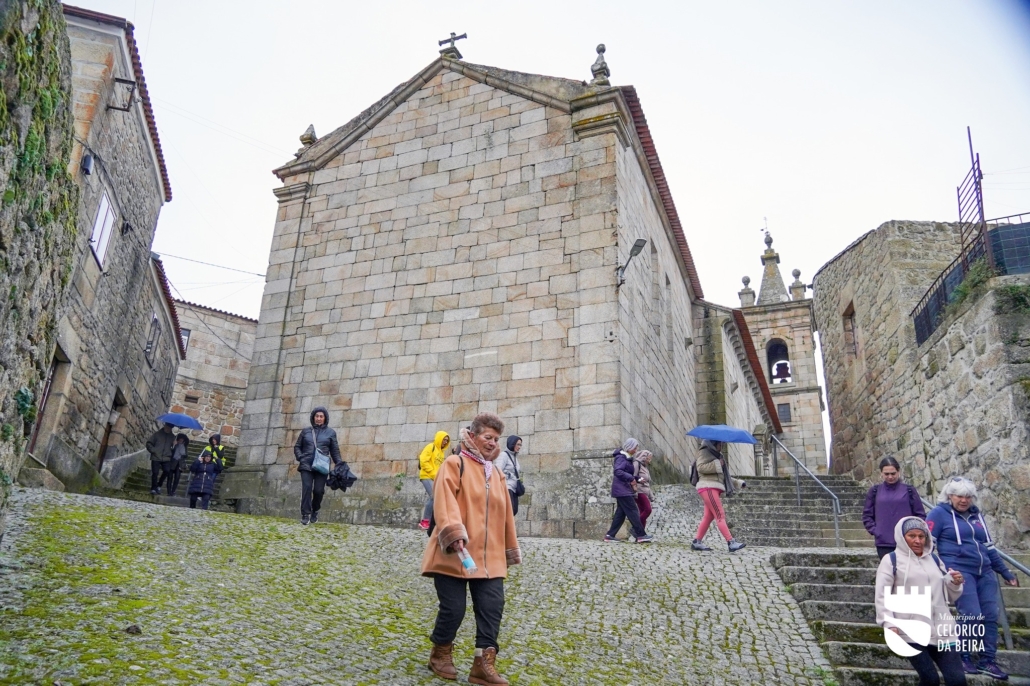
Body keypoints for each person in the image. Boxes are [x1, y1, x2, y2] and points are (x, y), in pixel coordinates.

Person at [422, 412, 520, 685]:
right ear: (473, 436)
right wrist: (454, 533)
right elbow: (444, 502)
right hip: (455, 552)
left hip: (489, 558)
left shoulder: (497, 474)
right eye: (488, 437)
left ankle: (483, 664)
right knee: (454, 609)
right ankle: (440, 652)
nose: (492, 443)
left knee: (492, 607)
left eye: (496, 439)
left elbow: (505, 516)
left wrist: (509, 549)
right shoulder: (455, 464)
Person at [927, 477, 1019, 680]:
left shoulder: (977, 516)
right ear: (950, 496)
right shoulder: (939, 514)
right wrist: (942, 571)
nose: (964, 500)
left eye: (968, 496)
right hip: (959, 572)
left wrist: (1005, 572)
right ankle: (962, 656)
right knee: (971, 614)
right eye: (960, 496)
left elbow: (989, 547)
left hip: (985, 572)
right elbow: (927, 546)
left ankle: (988, 660)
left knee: (989, 616)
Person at [875, 516, 966, 686]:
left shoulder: (935, 559)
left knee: (957, 680)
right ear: (902, 537)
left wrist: (955, 583)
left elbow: (949, 596)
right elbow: (882, 594)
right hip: (910, 630)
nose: (917, 540)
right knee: (930, 680)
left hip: (943, 631)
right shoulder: (891, 560)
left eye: (921, 536)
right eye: (912, 536)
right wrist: (888, 622)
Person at [863, 456, 926, 559]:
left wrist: (914, 534)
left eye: (893, 473)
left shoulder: (909, 491)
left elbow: (920, 515)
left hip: (907, 542)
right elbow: (867, 515)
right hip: (884, 543)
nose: (890, 477)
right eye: (886, 474)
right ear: (881, 473)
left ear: (898, 472)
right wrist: (876, 531)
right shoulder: (874, 491)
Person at [691, 439, 747, 552]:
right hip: (708, 487)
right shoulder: (704, 452)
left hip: (714, 488)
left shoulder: (718, 455)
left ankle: (697, 542)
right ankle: (731, 542)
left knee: (709, 516)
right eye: (720, 444)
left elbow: (723, 477)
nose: (722, 446)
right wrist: (717, 464)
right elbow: (700, 467)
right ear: (714, 443)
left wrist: (738, 483)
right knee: (720, 515)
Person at [293, 406, 342, 525]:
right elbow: (297, 447)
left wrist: (339, 463)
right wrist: (301, 457)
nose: (319, 418)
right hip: (306, 465)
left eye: (321, 416)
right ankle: (305, 514)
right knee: (307, 488)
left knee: (318, 491)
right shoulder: (306, 431)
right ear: (313, 417)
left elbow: (334, 451)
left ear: (325, 418)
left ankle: (315, 510)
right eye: (317, 416)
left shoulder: (331, 433)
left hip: (321, 465)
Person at [603, 438, 652, 544]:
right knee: (633, 511)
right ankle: (641, 535)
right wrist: (631, 478)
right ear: (629, 447)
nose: (636, 450)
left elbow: (625, 472)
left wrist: (637, 478)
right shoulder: (621, 457)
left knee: (620, 514)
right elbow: (618, 471)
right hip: (622, 490)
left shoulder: (626, 458)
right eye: (635, 448)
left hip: (622, 489)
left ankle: (610, 535)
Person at [418, 431, 451, 530]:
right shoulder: (430, 447)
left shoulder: (441, 452)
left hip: (435, 478)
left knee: (437, 498)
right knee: (434, 496)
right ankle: (425, 522)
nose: (445, 442)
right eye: (444, 440)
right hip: (426, 476)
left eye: (446, 441)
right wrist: (433, 473)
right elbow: (423, 461)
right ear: (439, 438)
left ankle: (433, 522)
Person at [493, 436, 524, 516]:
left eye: (520, 445)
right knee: (509, 511)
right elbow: (497, 470)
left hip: (514, 488)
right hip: (507, 487)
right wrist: (508, 475)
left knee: (514, 511)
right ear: (512, 444)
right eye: (518, 444)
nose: (519, 447)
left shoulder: (514, 457)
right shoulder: (504, 455)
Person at [145, 422, 175, 495]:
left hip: (166, 457)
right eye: (167, 427)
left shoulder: (173, 437)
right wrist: (153, 450)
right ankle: (153, 488)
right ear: (165, 426)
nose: (168, 429)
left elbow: (173, 448)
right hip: (156, 456)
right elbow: (149, 443)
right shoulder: (157, 434)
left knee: (167, 471)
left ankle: (159, 485)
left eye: (170, 428)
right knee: (155, 473)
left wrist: (175, 445)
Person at [632, 449, 654, 530]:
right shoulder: (637, 464)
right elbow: (632, 477)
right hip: (639, 491)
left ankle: (641, 534)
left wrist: (651, 496)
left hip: (644, 492)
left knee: (642, 512)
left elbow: (648, 483)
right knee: (648, 510)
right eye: (649, 458)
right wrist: (639, 480)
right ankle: (636, 528)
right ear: (644, 457)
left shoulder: (645, 468)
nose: (649, 460)